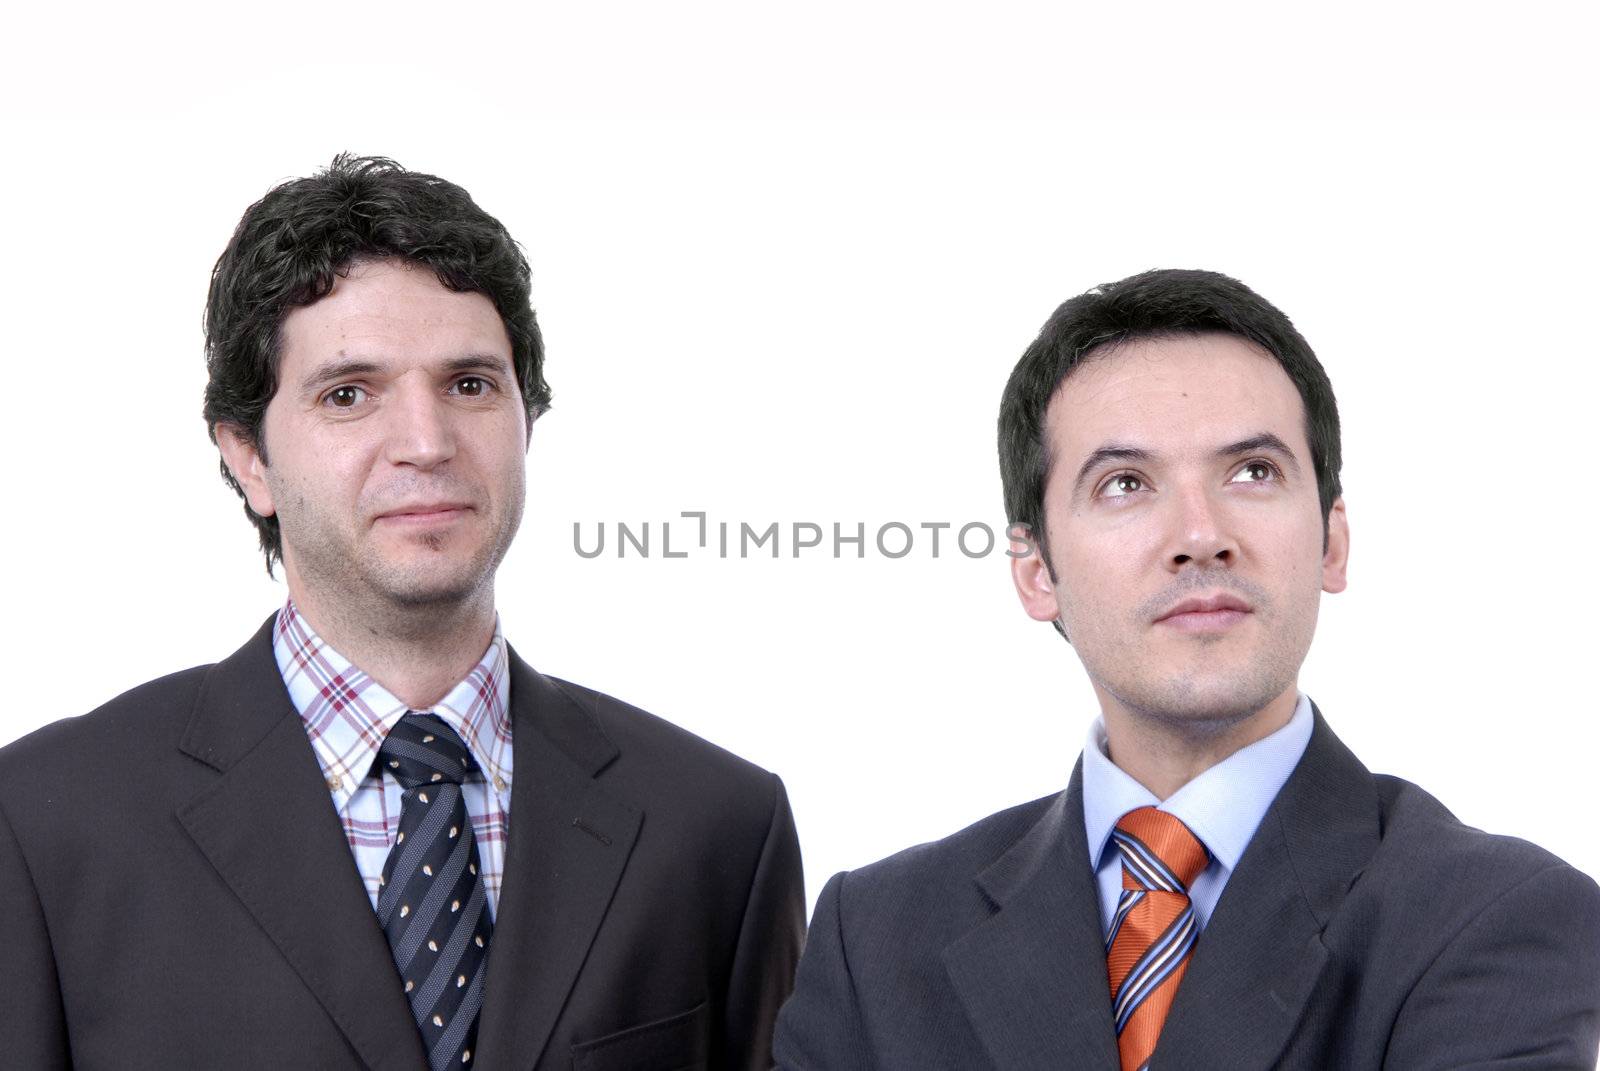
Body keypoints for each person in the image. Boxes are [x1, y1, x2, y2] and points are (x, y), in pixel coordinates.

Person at [0, 155, 804, 1070]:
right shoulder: (45, 824)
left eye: (470, 384)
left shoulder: (717, 828)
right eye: (349, 394)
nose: (426, 442)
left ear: (526, 421)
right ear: (248, 457)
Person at [774, 268, 1600, 1068]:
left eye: (1253, 472)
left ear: (1332, 541)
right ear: (1036, 572)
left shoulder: (1494, 917)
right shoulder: (875, 941)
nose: (1200, 533)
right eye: (1125, 483)